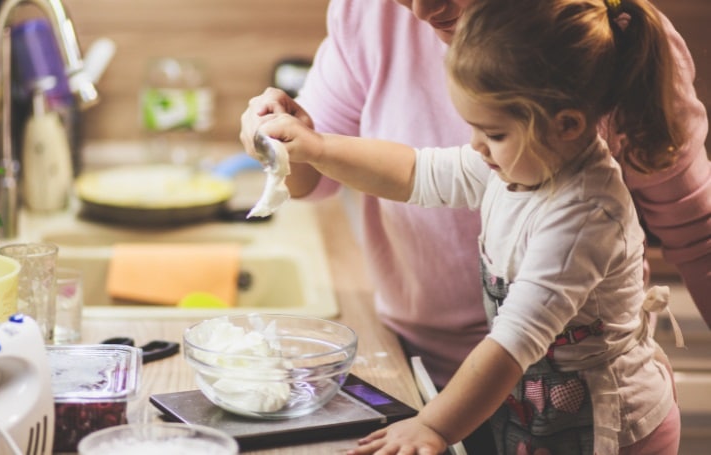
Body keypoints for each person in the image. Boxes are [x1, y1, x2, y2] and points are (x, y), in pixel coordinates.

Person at [240, 0, 708, 451]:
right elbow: (413, 172)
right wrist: (317, 147)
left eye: (493, 133)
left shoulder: (582, 216)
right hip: (534, 411)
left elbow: (510, 343)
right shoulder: (527, 158)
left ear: (566, 124)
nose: (476, 147)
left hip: (611, 430)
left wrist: (432, 427)